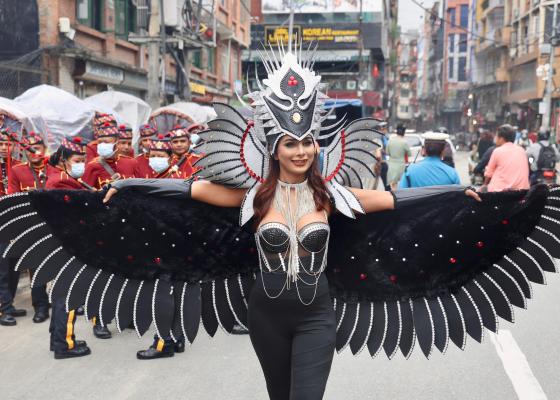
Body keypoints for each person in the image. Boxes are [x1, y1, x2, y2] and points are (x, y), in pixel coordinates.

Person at [4, 46, 559, 400]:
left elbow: (399, 203)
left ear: (319, 146)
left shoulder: (337, 196)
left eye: (308, 141)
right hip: (265, 317)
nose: (300, 150)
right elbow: (182, 191)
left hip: (318, 316)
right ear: (273, 147)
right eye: (290, 142)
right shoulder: (247, 196)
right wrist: (128, 186)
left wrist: (460, 193)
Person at [45, 137, 92, 359]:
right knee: (68, 293)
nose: (81, 164)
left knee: (60, 293)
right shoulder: (63, 182)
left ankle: (58, 338)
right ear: (63, 160)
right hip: (68, 243)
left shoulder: (57, 176)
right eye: (77, 160)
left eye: (83, 160)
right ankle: (65, 344)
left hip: (60, 243)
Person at [7, 131, 54, 323]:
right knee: (36, 266)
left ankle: (65, 301)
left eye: (37, 148)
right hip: (32, 225)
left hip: (56, 223)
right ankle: (40, 306)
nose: (33, 153)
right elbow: (13, 199)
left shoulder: (54, 167)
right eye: (29, 150)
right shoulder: (17, 170)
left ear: (44, 148)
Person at [0, 128, 26, 326]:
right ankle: (4, 308)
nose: (3, 148)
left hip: (15, 221)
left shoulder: (17, 166)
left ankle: (9, 303)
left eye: (6, 144)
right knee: (2, 268)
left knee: (15, 265)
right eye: (0, 144)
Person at [82, 123, 136, 190]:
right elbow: (84, 192)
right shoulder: (92, 166)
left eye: (106, 142)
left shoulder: (131, 163)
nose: (102, 145)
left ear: (117, 143)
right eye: (100, 142)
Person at [483, 124, 530, 192]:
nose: (495, 138)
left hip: (500, 192)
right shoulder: (522, 150)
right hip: (522, 191)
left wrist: (484, 185)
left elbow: (489, 173)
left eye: (496, 136)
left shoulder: (497, 151)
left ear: (501, 138)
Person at [386, 123, 411, 189]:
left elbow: (387, 152)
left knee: (392, 185)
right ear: (404, 132)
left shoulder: (390, 141)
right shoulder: (404, 142)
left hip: (391, 165)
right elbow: (409, 154)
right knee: (400, 185)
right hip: (401, 166)